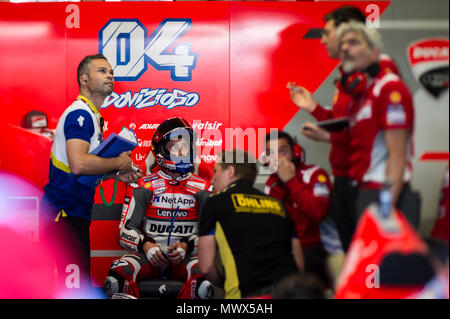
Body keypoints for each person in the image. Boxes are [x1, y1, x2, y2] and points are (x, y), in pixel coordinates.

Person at [287, 6, 400, 251]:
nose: (323, 39)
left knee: (369, 256)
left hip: (365, 183)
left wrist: (328, 137)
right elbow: (347, 122)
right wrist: (314, 108)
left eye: (327, 32)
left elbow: (370, 132)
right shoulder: (346, 78)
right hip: (344, 180)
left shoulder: (377, 75)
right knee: (353, 255)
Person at [41, 54, 142, 290]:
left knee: (76, 287)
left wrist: (116, 173)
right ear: (83, 79)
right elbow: (79, 164)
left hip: (74, 213)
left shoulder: (93, 116)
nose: (109, 75)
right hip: (64, 215)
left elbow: (82, 172)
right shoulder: (81, 114)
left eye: (111, 72)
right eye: (102, 71)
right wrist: (118, 162)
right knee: (72, 290)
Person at [104, 117, 213, 299]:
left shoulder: (203, 187)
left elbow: (211, 233)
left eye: (185, 146)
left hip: (187, 255)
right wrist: (145, 245)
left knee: (204, 278)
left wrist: (188, 244)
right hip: (149, 255)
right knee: (118, 275)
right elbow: (124, 230)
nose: (181, 152)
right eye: (174, 146)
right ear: (161, 149)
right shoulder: (142, 185)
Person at [337, 22, 418, 226]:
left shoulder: (389, 88)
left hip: (383, 192)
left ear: (374, 52)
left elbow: (397, 153)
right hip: (365, 190)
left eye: (354, 42)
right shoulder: (364, 95)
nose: (346, 48)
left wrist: (386, 207)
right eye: (343, 44)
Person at [198, 149, 303, 299]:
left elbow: (206, 266)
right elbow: (298, 262)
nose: (213, 179)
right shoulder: (278, 204)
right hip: (289, 292)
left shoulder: (214, 202)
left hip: (247, 294)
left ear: (230, 171)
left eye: (216, 171)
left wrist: (224, 284)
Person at [264, 131, 333, 287]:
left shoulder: (315, 174)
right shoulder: (271, 184)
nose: (277, 159)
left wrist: (291, 180)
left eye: (282, 151)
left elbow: (318, 213)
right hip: (286, 251)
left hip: (317, 250)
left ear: (295, 152)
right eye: (271, 154)